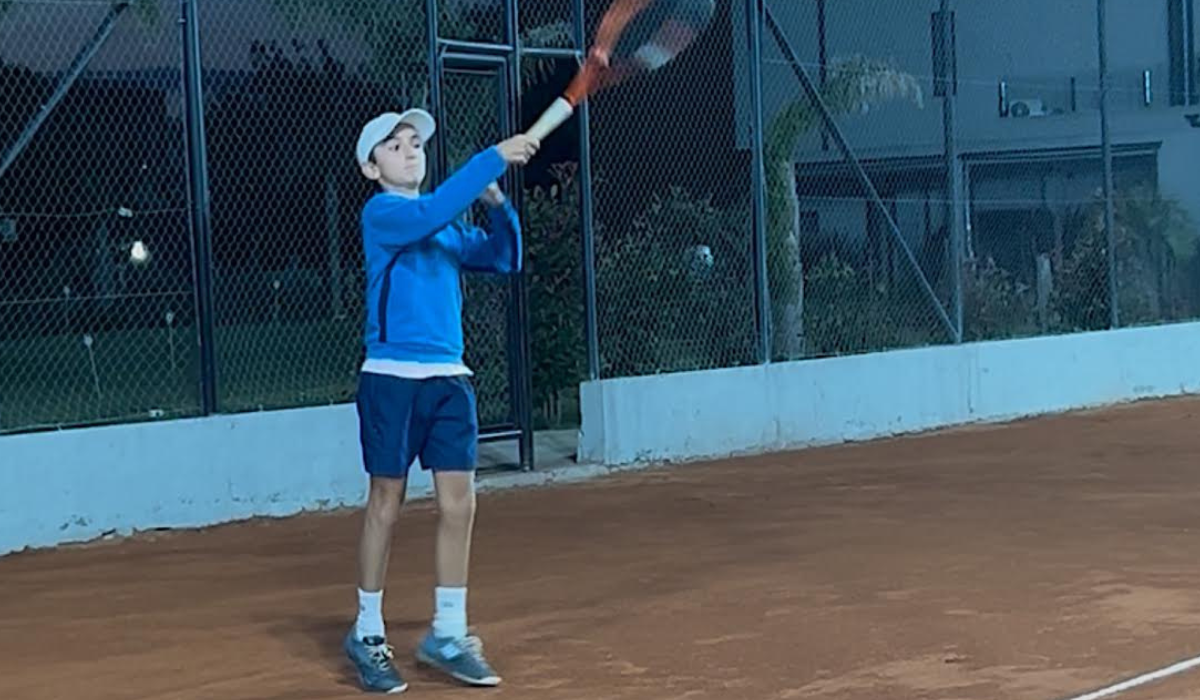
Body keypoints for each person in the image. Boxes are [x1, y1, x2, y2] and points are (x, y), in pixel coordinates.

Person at [343, 107, 540, 694]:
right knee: (386, 500)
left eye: (415, 143)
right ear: (369, 165)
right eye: (394, 145)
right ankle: (367, 631)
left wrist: (498, 204)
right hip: (391, 378)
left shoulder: (445, 226)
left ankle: (448, 633)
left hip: (450, 379)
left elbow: (505, 258)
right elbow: (428, 211)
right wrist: (490, 158)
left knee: (461, 504)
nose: (409, 151)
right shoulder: (382, 214)